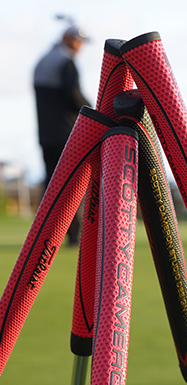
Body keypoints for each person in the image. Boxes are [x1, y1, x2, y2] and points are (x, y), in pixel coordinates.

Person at [33, 24, 90, 246]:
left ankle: (43, 237)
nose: (80, 46)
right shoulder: (65, 62)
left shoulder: (43, 61)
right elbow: (74, 97)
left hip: (46, 135)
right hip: (67, 134)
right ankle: (74, 237)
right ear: (68, 39)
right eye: (78, 41)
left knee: (50, 186)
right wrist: (94, 110)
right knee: (73, 185)